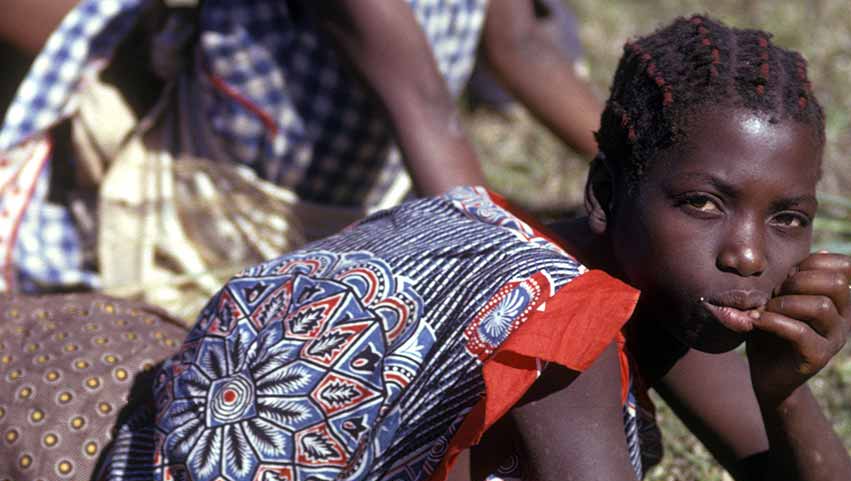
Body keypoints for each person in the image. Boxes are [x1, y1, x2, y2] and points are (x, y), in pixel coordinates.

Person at [0, 14, 851, 481]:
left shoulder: (665, 280)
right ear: (606, 195)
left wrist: (783, 392)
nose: (746, 253)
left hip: (111, 362)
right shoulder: (552, 314)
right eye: (702, 202)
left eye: (787, 219)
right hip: (70, 462)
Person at [0, 0, 602, 314]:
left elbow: (520, 44)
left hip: (366, 194)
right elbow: (423, 109)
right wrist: (518, 297)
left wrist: (643, 157)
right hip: (224, 225)